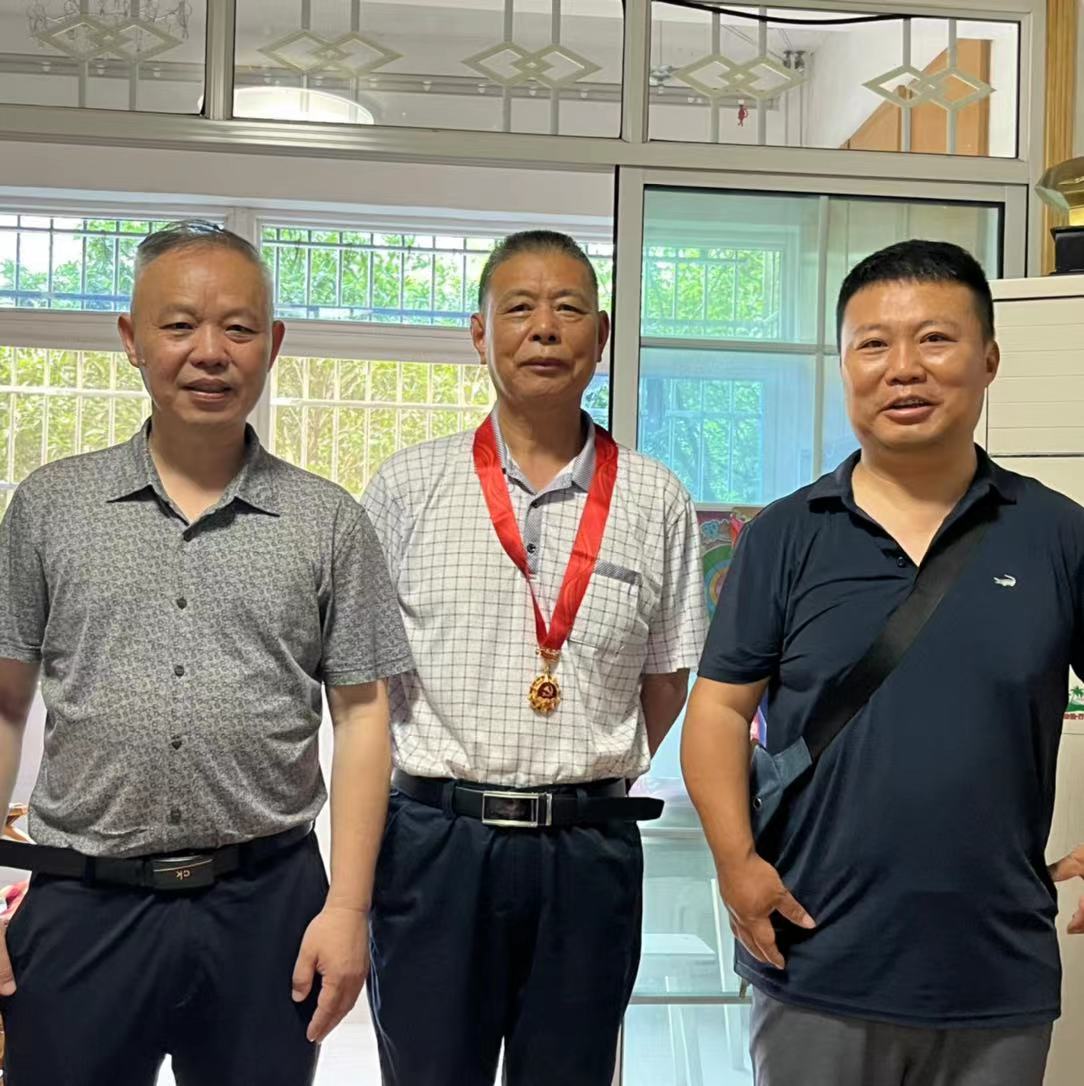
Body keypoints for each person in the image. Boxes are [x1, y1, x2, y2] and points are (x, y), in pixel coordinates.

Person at [0, 220, 413, 1085]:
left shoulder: (328, 521)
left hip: (267, 906)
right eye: (180, 325)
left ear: (274, 344)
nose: (210, 352)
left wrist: (347, 907)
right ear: (132, 340)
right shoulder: (49, 506)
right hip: (83, 904)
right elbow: (4, 704)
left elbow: (363, 716)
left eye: (239, 327)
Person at [681, 238, 1084, 1086]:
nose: (903, 368)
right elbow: (717, 708)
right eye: (873, 344)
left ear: (989, 360)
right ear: (846, 367)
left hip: (998, 969)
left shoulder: (1057, 534)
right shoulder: (786, 535)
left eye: (935, 339)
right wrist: (735, 863)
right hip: (814, 956)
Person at [361, 229, 706, 1085]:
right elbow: (367, 682)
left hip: (588, 851)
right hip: (436, 843)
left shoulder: (655, 497)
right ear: (480, 333)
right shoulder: (408, 487)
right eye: (518, 308)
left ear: (601, 335)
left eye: (568, 309)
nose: (544, 328)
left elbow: (667, 678)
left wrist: (582, 767)